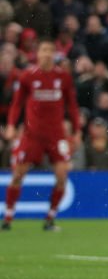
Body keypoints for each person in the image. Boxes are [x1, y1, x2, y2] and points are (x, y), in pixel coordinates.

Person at [3, 39, 81, 230]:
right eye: (43, 50)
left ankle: (50, 218)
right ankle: (8, 218)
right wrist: (12, 125)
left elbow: (72, 105)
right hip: (32, 134)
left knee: (62, 175)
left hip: (56, 135)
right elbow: (17, 104)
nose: (46, 54)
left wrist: (78, 131)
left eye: (50, 50)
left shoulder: (63, 77)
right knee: (18, 174)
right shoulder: (28, 76)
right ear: (37, 53)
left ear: (54, 54)